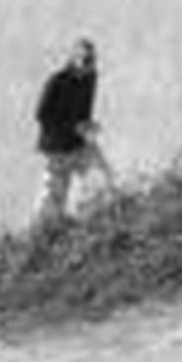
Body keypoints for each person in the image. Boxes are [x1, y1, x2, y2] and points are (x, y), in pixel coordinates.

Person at [32, 38, 115, 227]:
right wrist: (71, 127)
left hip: (80, 143)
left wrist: (88, 124)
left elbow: (85, 109)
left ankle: (95, 222)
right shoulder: (56, 81)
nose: (89, 64)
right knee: (52, 199)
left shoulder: (91, 78)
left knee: (101, 178)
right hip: (57, 147)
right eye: (85, 60)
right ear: (73, 58)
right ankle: (41, 236)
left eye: (92, 59)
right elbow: (41, 115)